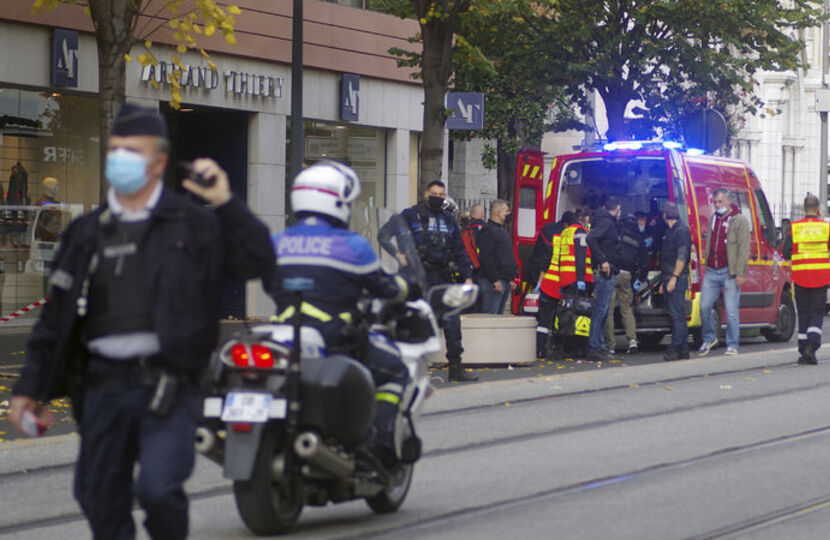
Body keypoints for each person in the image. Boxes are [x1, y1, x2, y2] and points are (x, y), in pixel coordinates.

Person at [7, 103, 276, 539]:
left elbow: (259, 260)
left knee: (159, 491)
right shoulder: (87, 232)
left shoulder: (193, 224)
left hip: (170, 387)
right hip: (100, 387)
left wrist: (227, 203)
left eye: (132, 151)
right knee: (97, 495)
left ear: (158, 161)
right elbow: (54, 320)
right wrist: (28, 390)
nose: (121, 159)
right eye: (115, 150)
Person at [269, 160, 410, 462]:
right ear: (337, 203)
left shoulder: (277, 242)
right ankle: (378, 447)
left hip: (281, 335)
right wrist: (406, 288)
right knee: (396, 372)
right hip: (332, 338)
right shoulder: (352, 246)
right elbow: (384, 287)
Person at [395, 181, 477, 381]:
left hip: (443, 277)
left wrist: (467, 276)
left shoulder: (448, 220)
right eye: (434, 193)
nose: (438, 197)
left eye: (441, 194)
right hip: (418, 278)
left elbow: (459, 250)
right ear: (425, 194)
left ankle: (456, 367)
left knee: (452, 323)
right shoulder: (410, 215)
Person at [781, 194, 830, 365]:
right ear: (818, 209)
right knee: (816, 313)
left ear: (804, 208)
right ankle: (812, 347)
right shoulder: (825, 227)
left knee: (803, 313)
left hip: (801, 277)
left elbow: (786, 251)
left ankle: (803, 349)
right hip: (820, 277)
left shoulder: (795, 227)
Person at [697, 188, 750, 357]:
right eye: (715, 202)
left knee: (731, 310)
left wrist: (740, 273)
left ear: (728, 201)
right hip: (712, 270)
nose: (717, 205)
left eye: (720, 201)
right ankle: (709, 338)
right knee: (704, 306)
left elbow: (744, 248)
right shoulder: (713, 219)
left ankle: (732, 344)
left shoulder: (739, 220)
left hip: (729, 272)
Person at [541, 210, 592, 358]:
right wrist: (581, 279)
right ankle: (578, 348)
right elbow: (580, 256)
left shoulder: (564, 233)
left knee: (565, 313)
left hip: (565, 279)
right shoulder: (579, 232)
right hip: (578, 279)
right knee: (581, 313)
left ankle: (562, 346)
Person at [604, 211, 649, 355]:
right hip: (628, 276)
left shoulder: (616, 232)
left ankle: (610, 346)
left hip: (612, 273)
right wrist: (640, 280)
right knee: (627, 309)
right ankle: (632, 341)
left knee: (609, 311)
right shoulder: (638, 238)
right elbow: (645, 263)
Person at [534, 212, 575, 358]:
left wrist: (539, 282)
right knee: (562, 319)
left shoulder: (552, 235)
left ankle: (539, 349)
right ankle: (559, 349)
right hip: (564, 285)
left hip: (548, 284)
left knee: (544, 320)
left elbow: (544, 260)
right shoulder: (570, 240)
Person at [586, 196, 622, 360]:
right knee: (600, 311)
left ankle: (599, 345)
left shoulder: (602, 221)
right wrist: (603, 260)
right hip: (604, 273)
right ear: (617, 208)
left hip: (605, 272)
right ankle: (594, 347)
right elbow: (591, 238)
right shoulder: (607, 223)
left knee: (603, 311)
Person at [660, 201, 692, 361]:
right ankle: (683, 350)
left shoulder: (680, 231)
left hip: (676, 278)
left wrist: (673, 278)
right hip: (670, 277)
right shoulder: (671, 231)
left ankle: (674, 348)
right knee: (676, 314)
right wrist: (663, 281)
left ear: (665, 214)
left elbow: (681, 257)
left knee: (677, 315)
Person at [476, 199, 517, 314]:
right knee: (490, 318)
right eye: (507, 211)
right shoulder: (488, 231)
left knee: (498, 318)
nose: (509, 214)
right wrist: (495, 280)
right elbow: (486, 257)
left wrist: (509, 279)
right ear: (498, 212)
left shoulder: (501, 230)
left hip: (503, 281)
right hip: (492, 283)